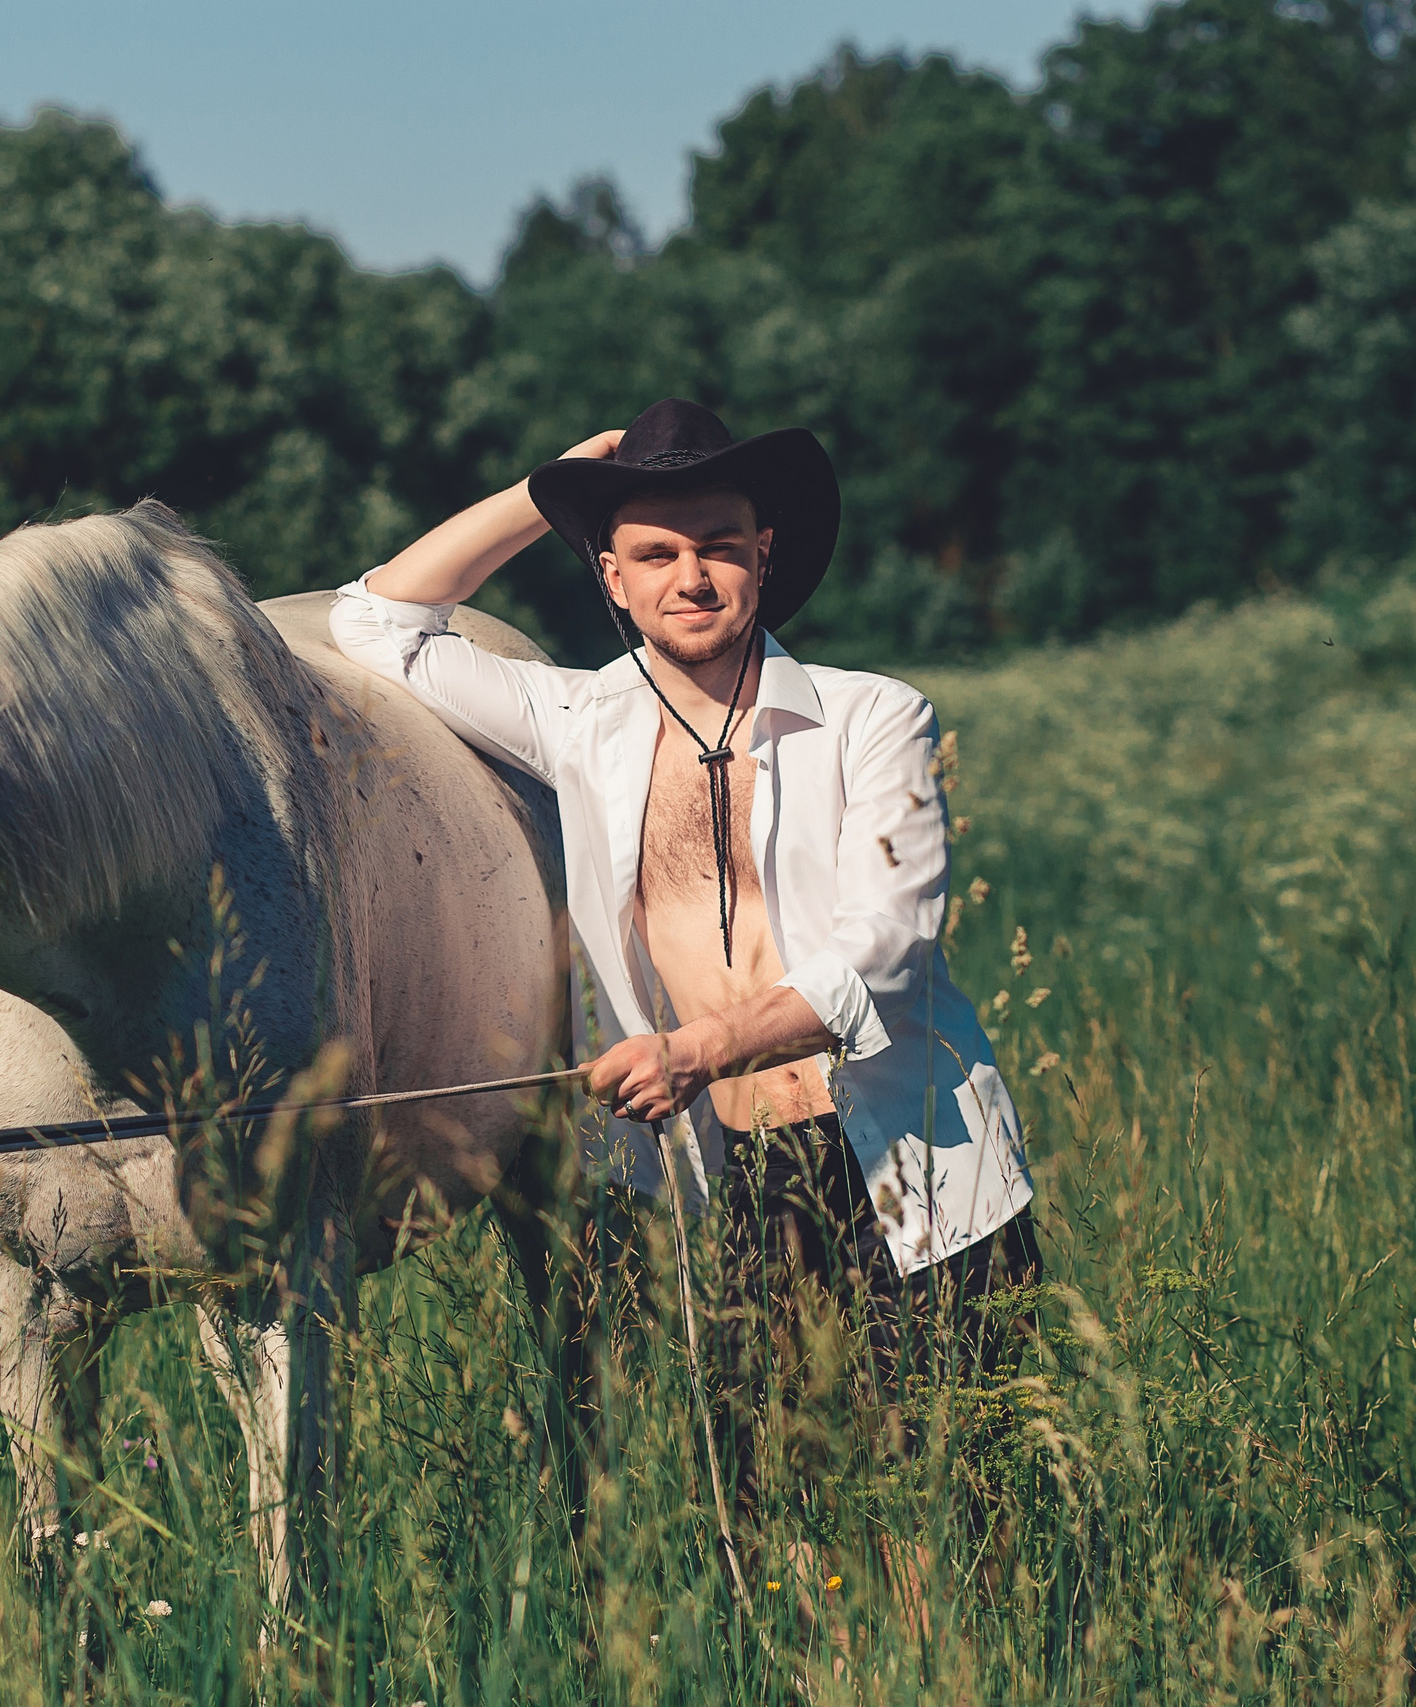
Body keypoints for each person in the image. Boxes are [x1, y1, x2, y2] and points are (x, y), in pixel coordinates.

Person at [328, 398, 1038, 1518]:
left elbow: (888, 952)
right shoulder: (572, 722)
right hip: (738, 1183)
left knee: (963, 1517)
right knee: (784, 1523)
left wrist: (699, 1046)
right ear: (611, 579)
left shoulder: (875, 718)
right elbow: (374, 622)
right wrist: (544, 489)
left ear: (765, 553)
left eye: (715, 546)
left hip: (917, 1173)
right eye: (653, 553)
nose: (689, 576)